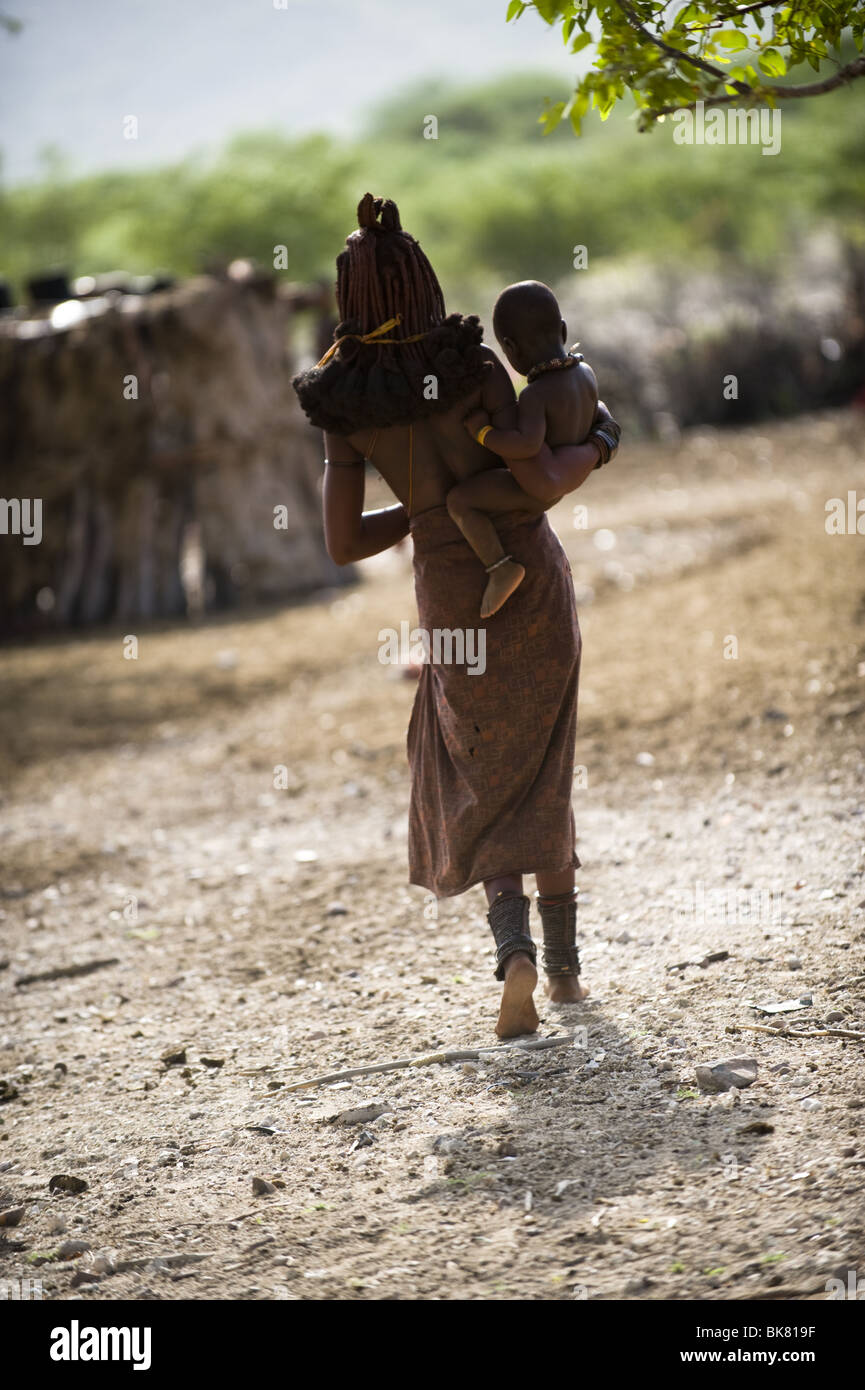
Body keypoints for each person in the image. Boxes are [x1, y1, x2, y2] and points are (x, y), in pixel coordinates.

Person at [293, 193, 621, 1038]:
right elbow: (547, 456)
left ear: (348, 298)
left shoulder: (344, 407)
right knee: (545, 759)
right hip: (532, 580)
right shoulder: (476, 369)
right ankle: (565, 974)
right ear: (423, 283)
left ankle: (510, 952)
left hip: (450, 595)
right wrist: (596, 445)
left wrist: (419, 515)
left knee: (477, 767)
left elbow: (340, 543)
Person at [446, 280, 616, 617]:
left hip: (536, 489)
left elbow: (525, 445)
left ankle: (500, 568)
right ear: (563, 331)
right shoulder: (586, 373)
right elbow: (601, 413)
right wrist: (603, 440)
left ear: (511, 349)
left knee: (460, 501)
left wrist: (482, 432)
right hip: (568, 476)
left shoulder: (535, 395)